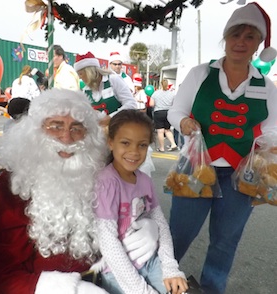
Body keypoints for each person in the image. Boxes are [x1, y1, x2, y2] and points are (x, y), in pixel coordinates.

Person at [0, 89, 160, 293]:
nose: (66, 138)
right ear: (34, 132)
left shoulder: (101, 171)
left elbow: (132, 207)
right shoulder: (10, 189)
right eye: (55, 126)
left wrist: (146, 226)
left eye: (76, 128)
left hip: (113, 276)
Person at [167, 3, 277, 294]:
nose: (241, 41)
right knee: (177, 235)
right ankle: (157, 282)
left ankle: (212, 289)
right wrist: (185, 124)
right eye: (235, 34)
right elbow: (175, 112)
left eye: (250, 36)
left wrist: (269, 143)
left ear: (257, 44)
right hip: (196, 167)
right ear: (226, 38)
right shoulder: (199, 74)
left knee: (225, 241)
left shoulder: (266, 86)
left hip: (241, 176)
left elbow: (273, 127)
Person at [93, 109, 188, 294]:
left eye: (142, 145)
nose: (134, 152)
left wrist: (170, 267)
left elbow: (160, 223)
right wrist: (141, 290)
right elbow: (108, 242)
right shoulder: (107, 183)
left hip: (150, 260)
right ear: (110, 142)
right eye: (125, 143)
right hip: (116, 271)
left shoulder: (144, 180)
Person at [74, 51, 136, 127]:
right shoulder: (85, 91)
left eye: (80, 74)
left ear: (89, 72)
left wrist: (111, 117)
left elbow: (131, 104)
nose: (80, 77)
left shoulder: (113, 80)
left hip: (120, 130)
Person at [150, 79, 178, 153]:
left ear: (160, 85)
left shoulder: (155, 93)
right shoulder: (172, 94)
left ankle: (162, 148)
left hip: (158, 112)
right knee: (167, 130)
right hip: (168, 113)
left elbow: (151, 104)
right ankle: (173, 144)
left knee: (160, 131)